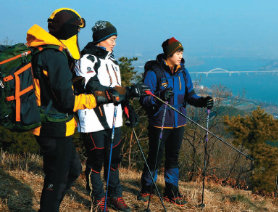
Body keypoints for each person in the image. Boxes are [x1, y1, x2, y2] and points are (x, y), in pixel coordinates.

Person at [27, 8, 125, 211]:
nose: (79, 36)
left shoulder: (49, 51)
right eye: (77, 31)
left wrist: (73, 82)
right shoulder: (54, 55)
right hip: (53, 125)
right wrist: (101, 97)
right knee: (57, 177)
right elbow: (67, 101)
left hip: (56, 123)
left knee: (72, 170)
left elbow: (53, 88)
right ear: (71, 31)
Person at [76, 20, 144, 212]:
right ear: (101, 39)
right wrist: (128, 91)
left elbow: (118, 90)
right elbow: (93, 88)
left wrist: (128, 107)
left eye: (115, 39)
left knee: (114, 159)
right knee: (96, 160)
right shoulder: (87, 59)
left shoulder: (112, 61)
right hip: (92, 119)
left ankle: (115, 195)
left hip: (115, 119)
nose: (114, 43)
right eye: (112, 39)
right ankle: (98, 199)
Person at [138, 37, 213, 206]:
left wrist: (202, 102)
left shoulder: (183, 72)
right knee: (155, 157)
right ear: (169, 53)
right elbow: (145, 99)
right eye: (178, 52)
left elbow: (190, 95)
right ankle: (147, 188)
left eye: (182, 52)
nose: (181, 55)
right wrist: (159, 98)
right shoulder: (154, 72)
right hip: (160, 122)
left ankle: (171, 191)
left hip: (179, 121)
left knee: (173, 158)